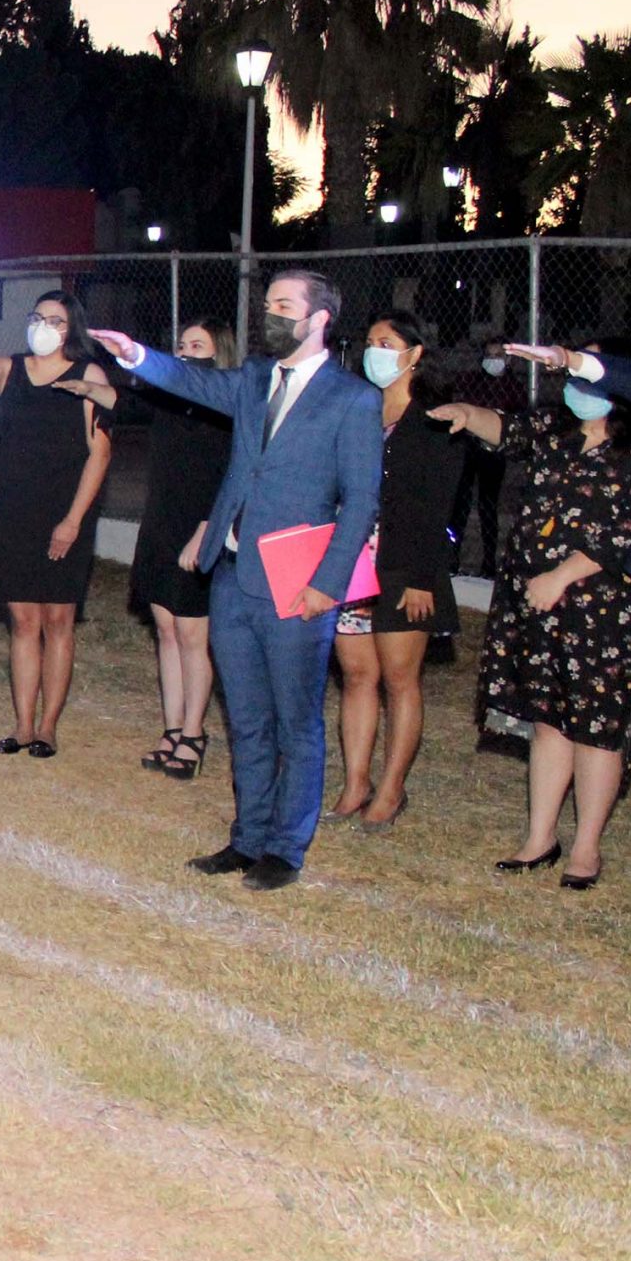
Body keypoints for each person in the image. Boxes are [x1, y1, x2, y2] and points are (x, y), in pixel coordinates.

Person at [93, 271, 384, 893]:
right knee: (246, 718)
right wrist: (137, 355)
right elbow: (192, 379)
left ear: (319, 319)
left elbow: (361, 502)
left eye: (284, 305)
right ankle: (248, 837)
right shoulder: (254, 378)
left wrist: (327, 584)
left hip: (297, 583)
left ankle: (286, 847)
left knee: (295, 723)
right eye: (268, 303)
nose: (270, 314)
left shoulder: (353, 398)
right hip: (232, 574)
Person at [499, 338, 631, 918]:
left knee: (599, 728)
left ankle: (588, 848)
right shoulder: (569, 435)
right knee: (558, 721)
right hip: (597, 600)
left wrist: (565, 574)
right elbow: (515, 436)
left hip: (609, 605)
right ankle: (543, 840)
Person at [0, 289, 114, 757]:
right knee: (24, 621)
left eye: (55, 320)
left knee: (58, 619)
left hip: (66, 509)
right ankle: (24, 725)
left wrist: (73, 521)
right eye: (37, 317)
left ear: (72, 328)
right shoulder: (13, 370)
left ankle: (49, 727)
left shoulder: (87, 375)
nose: (43, 327)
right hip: (17, 510)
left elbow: (100, 453)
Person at [325, 312, 467, 833]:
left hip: (406, 565)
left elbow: (440, 506)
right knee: (357, 676)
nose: (374, 351)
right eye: (369, 342)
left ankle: (391, 789)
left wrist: (423, 576)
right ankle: (355, 783)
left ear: (415, 353)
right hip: (354, 560)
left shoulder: (435, 419)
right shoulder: (359, 408)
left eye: (386, 343)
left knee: (400, 680)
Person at [123, 319, 236, 780]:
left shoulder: (227, 410)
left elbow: (229, 479)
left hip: (200, 528)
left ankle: (194, 733)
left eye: (198, 346)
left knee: (192, 636)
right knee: (166, 631)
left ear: (219, 354)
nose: (187, 353)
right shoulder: (167, 401)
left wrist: (206, 531)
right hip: (161, 524)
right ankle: (172, 728)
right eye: (183, 345)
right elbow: (122, 401)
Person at [444, 334, 525, 579]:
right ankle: (452, 558)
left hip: (494, 453)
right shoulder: (474, 383)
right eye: (489, 355)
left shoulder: (514, 388)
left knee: (488, 505)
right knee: (460, 505)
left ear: (508, 360)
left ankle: (489, 563)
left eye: (498, 355)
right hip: (469, 448)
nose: (493, 360)